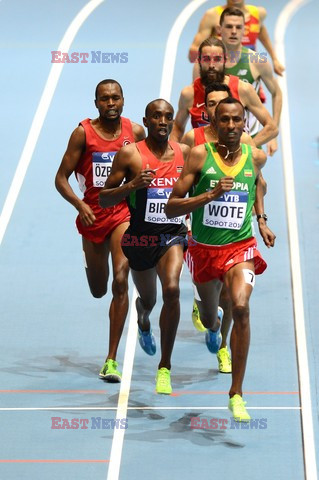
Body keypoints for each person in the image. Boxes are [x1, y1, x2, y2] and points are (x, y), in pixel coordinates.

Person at [166, 97, 275, 421]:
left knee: (240, 307)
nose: (230, 126)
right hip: (203, 250)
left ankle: (236, 393)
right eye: (224, 120)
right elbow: (173, 205)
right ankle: (212, 326)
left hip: (240, 247)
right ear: (215, 122)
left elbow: (257, 186)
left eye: (236, 120)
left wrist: (262, 221)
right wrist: (210, 195)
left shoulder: (254, 157)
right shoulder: (200, 155)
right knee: (213, 317)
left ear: (244, 124)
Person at [55, 79, 145, 383]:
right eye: (104, 99)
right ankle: (91, 263)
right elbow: (61, 179)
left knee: (122, 279)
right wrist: (80, 205)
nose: (111, 103)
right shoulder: (83, 133)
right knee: (98, 289)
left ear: (123, 101)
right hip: (92, 217)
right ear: (96, 103)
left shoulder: (136, 133)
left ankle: (110, 360)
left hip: (122, 214)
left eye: (115, 98)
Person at [99, 99, 190, 395]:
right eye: (156, 116)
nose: (163, 121)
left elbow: (198, 191)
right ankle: (143, 316)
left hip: (171, 236)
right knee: (149, 299)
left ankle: (165, 367)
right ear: (146, 121)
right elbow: (105, 198)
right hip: (140, 239)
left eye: (167, 116)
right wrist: (131, 185)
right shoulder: (130, 154)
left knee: (173, 290)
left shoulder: (185, 154)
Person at [170, 37, 278, 147]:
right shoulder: (189, 94)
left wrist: (243, 150)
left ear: (225, 61)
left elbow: (272, 128)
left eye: (217, 59)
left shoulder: (242, 89)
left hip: (235, 161)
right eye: (207, 59)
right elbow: (177, 127)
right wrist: (174, 155)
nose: (212, 65)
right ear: (199, 61)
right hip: (203, 160)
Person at [220, 7, 282, 156]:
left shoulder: (258, 60)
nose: (233, 31)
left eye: (238, 27)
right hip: (217, 140)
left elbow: (276, 93)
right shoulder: (209, 61)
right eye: (229, 26)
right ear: (219, 29)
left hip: (249, 140)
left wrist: (272, 136)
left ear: (245, 30)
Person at [188, 0, 285, 81]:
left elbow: (263, 36)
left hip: (249, 71)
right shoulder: (212, 15)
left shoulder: (258, 13)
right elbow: (193, 53)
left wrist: (275, 59)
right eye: (229, 27)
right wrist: (218, 47)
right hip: (222, 73)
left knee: (252, 101)